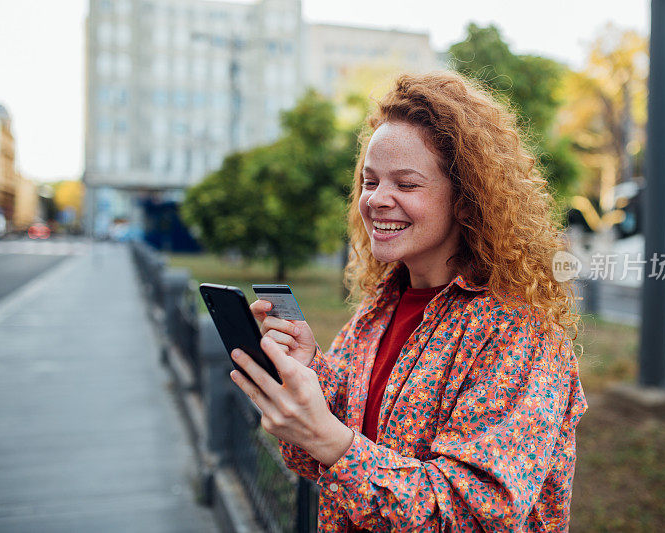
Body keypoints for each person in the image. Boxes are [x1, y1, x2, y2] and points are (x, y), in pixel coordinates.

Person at [228, 71, 588, 532]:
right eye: (370, 181)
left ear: (466, 199)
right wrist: (310, 371)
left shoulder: (519, 335)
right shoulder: (379, 307)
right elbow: (330, 450)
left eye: (406, 184)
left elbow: (472, 515)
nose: (377, 199)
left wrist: (328, 439)